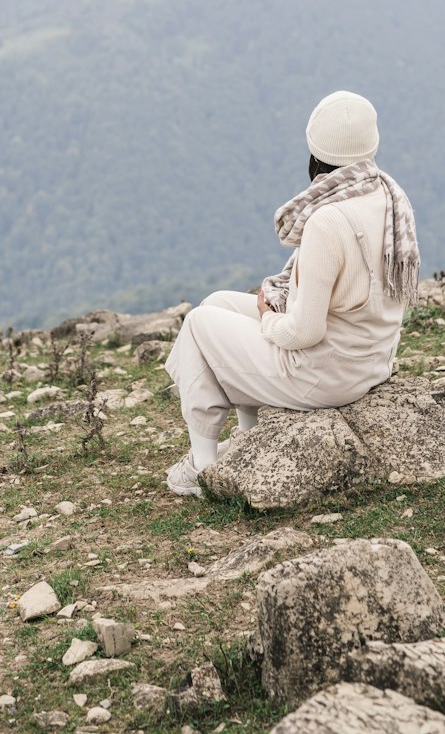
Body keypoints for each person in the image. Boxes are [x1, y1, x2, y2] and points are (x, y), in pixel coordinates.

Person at [164, 90, 420, 496]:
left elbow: (305, 333)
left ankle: (202, 469)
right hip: (368, 358)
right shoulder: (388, 195)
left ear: (315, 152)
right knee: (217, 304)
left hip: (327, 372)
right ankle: (252, 439)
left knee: (198, 324)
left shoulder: (328, 220)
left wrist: (269, 317)